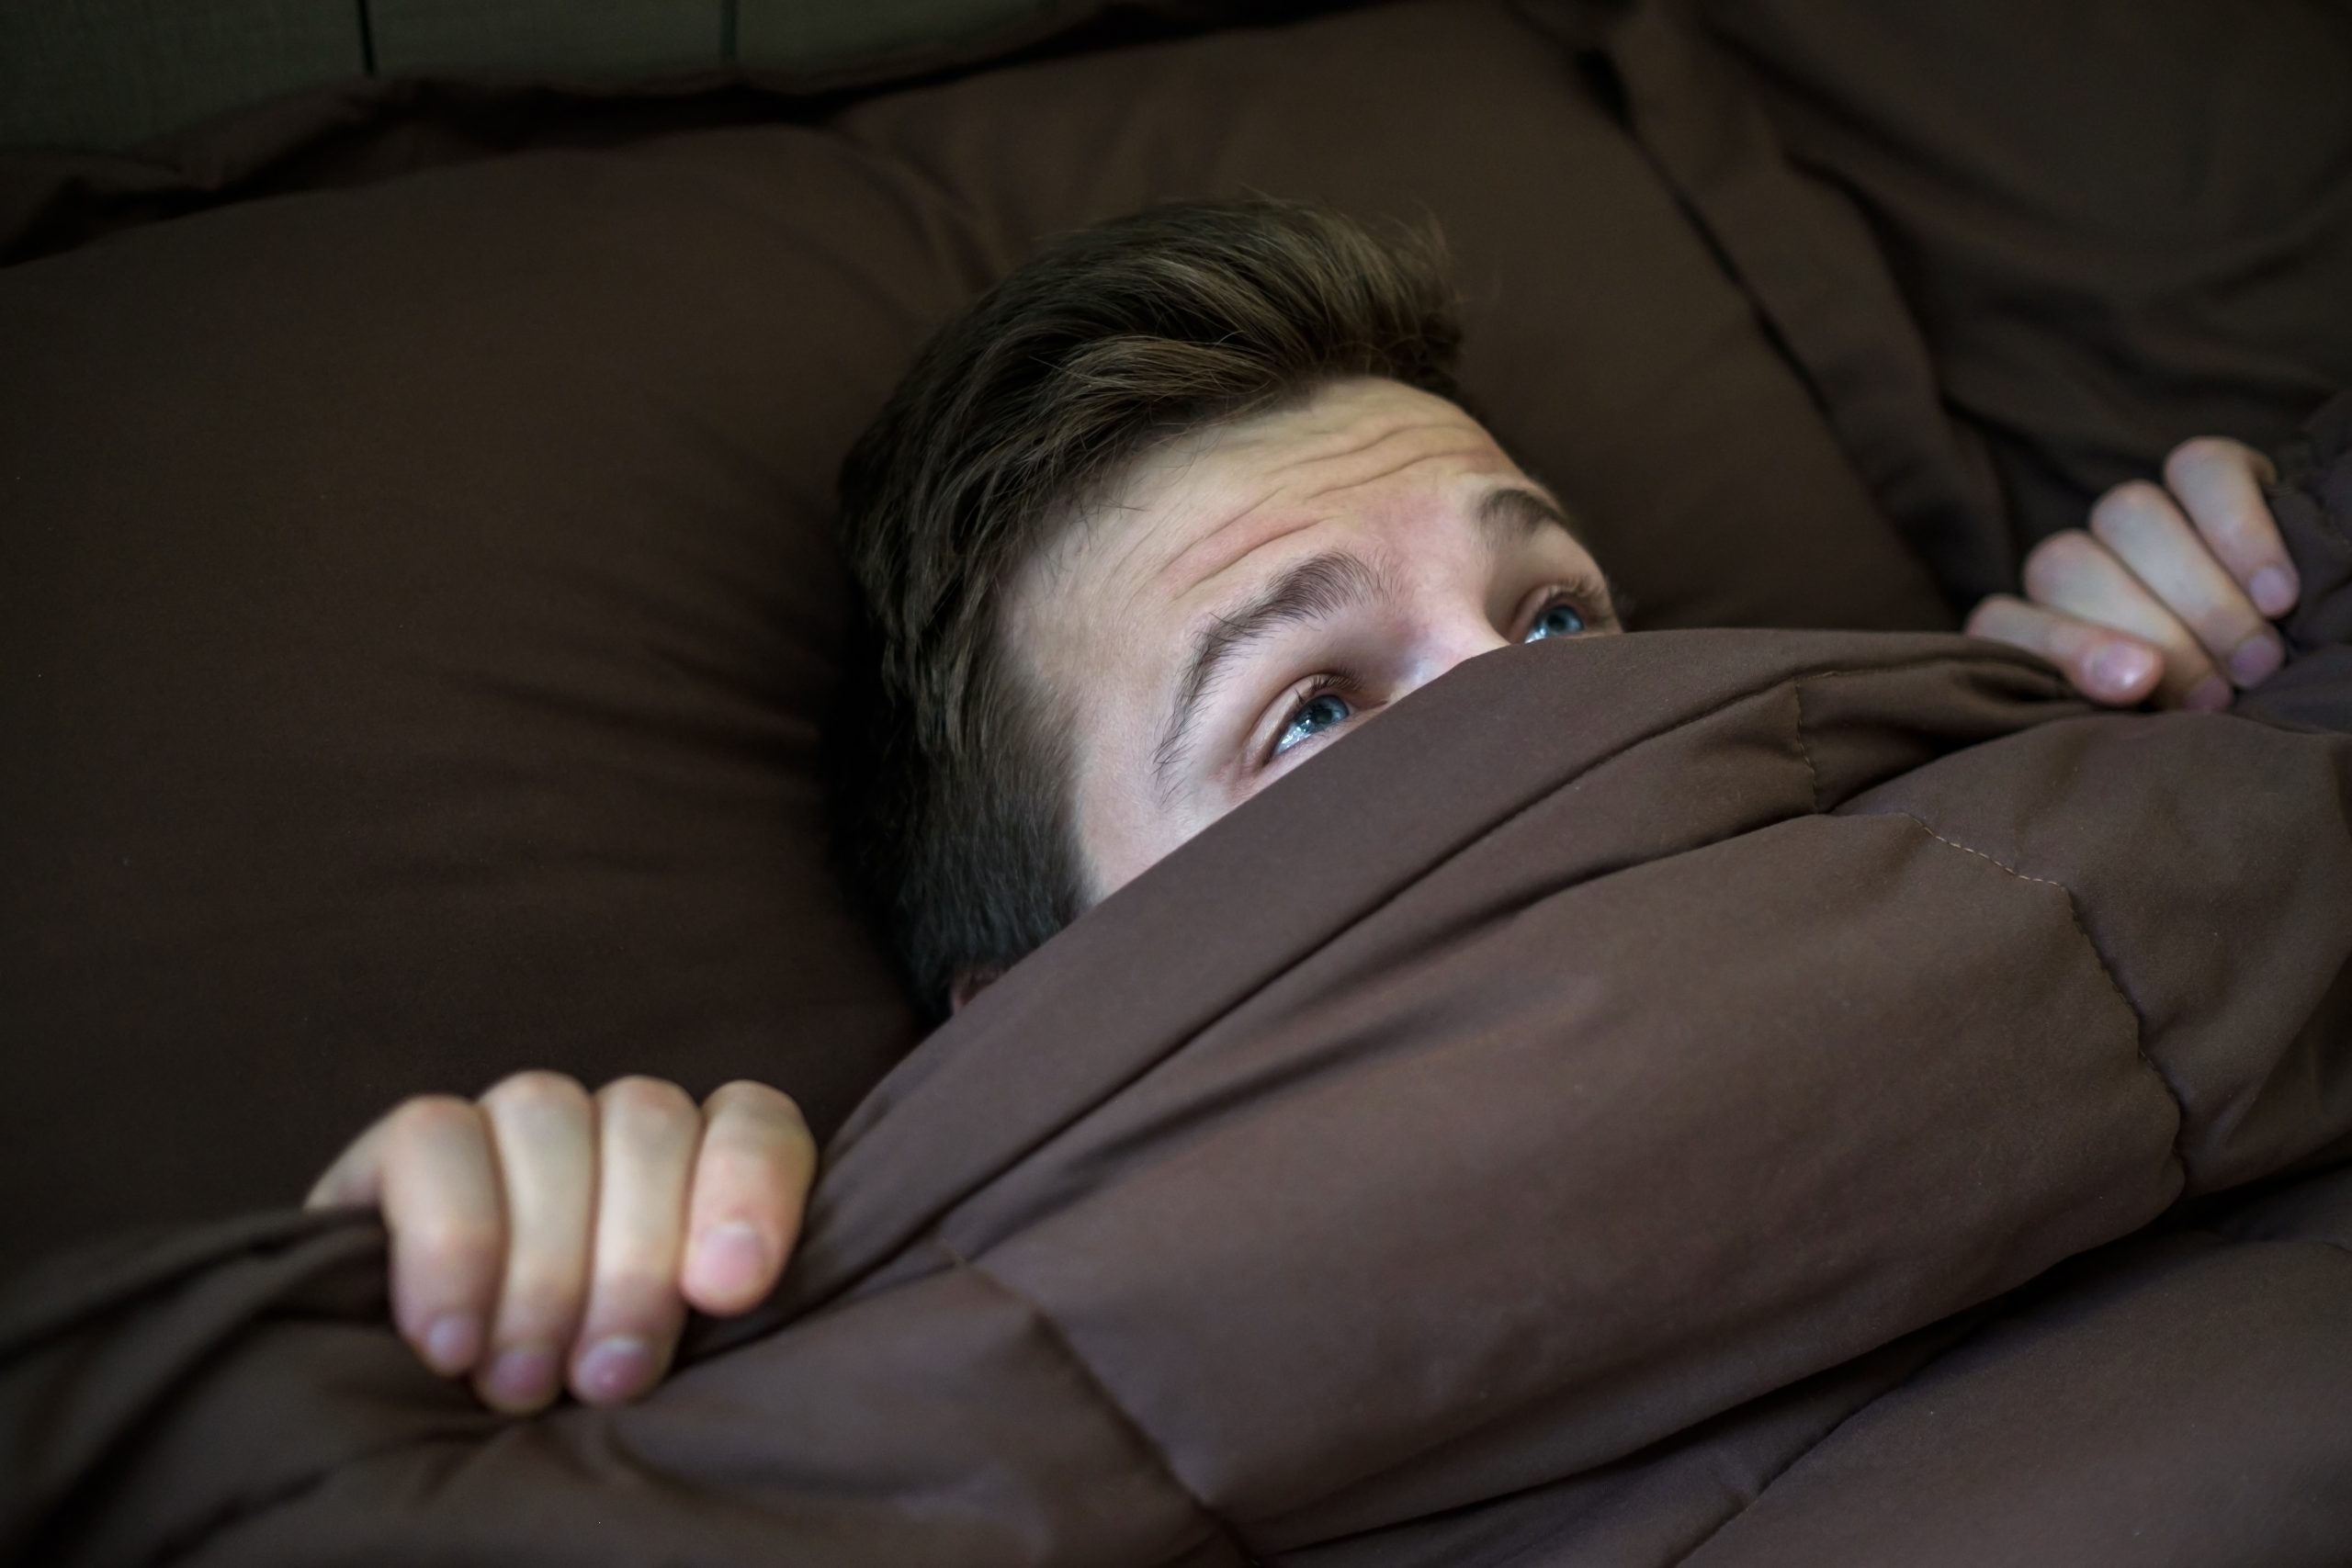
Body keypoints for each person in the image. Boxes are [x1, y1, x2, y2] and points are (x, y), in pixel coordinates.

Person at [305, 198, 2308, 1416]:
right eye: (1306, 710)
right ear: (1037, 1015)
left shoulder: (2088, 746)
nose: (1545, 714)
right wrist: (445, 1360)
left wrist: (2167, 708)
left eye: (1551, 612)